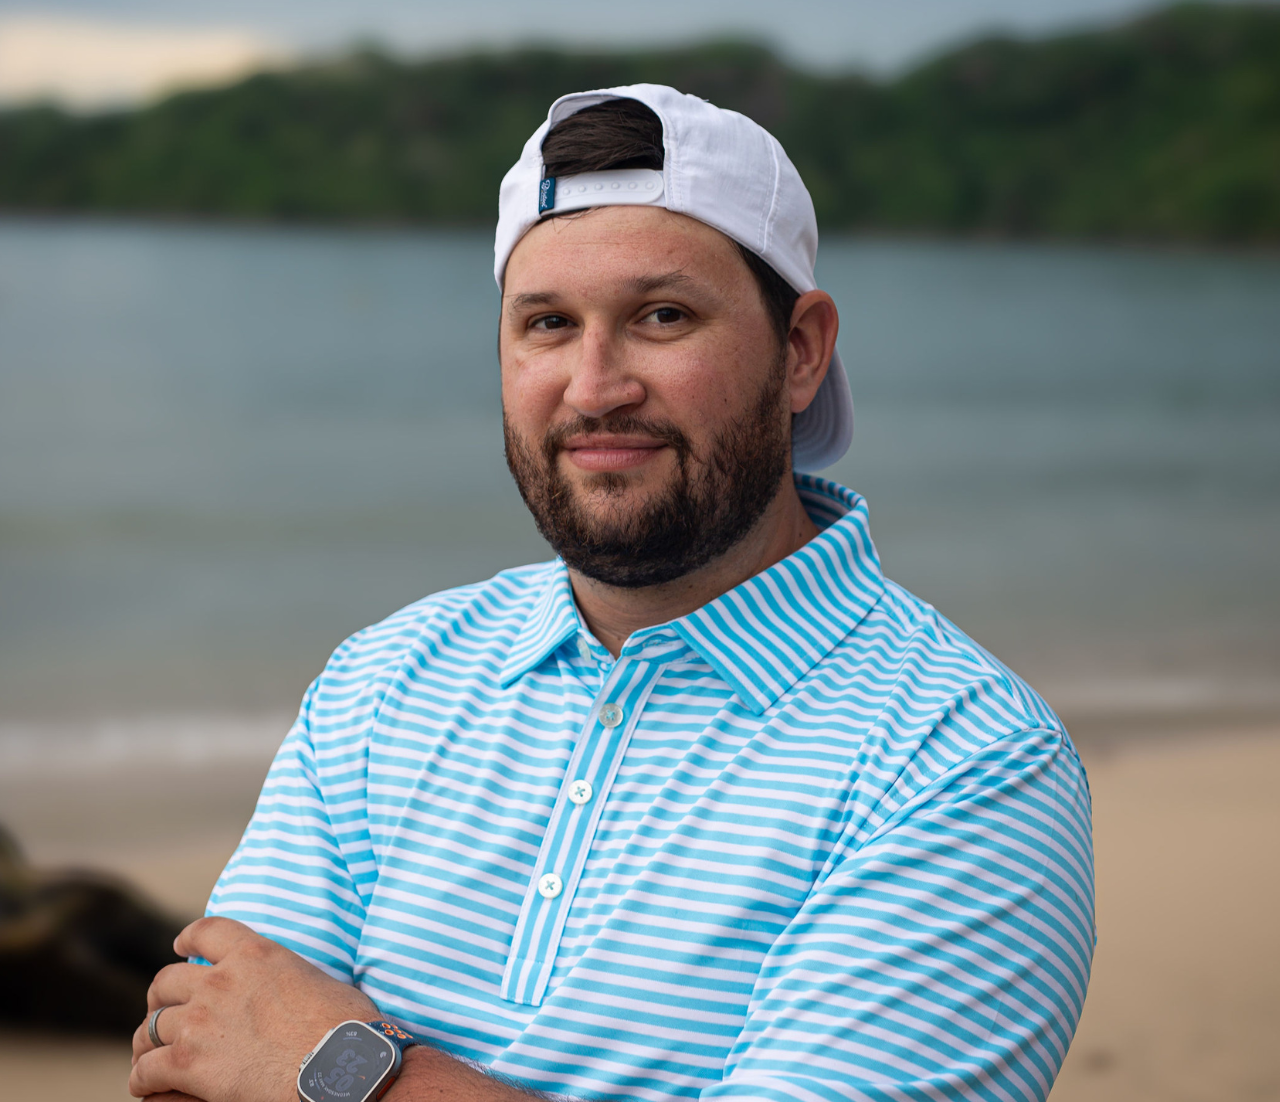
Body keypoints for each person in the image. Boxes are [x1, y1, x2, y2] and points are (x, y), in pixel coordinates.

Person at [130, 85, 1095, 1102]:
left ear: (800, 350)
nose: (594, 386)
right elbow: (198, 1059)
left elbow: (266, 1057)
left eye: (661, 315)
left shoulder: (961, 760)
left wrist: (346, 1072)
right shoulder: (387, 680)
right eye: (546, 322)